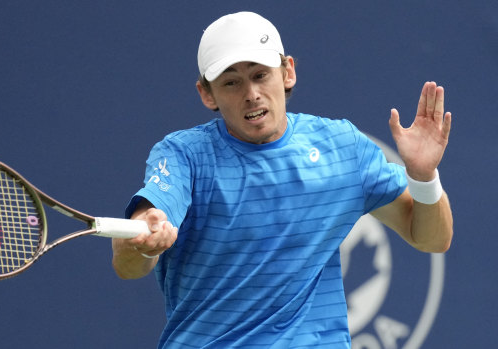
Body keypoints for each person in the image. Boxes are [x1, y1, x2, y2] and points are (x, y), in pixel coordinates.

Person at [112, 11, 453, 348]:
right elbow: (132, 258)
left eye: (260, 75)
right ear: (207, 94)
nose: (251, 93)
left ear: (287, 71)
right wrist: (142, 239)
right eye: (231, 82)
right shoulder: (184, 154)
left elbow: (431, 239)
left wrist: (423, 178)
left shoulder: (343, 148)